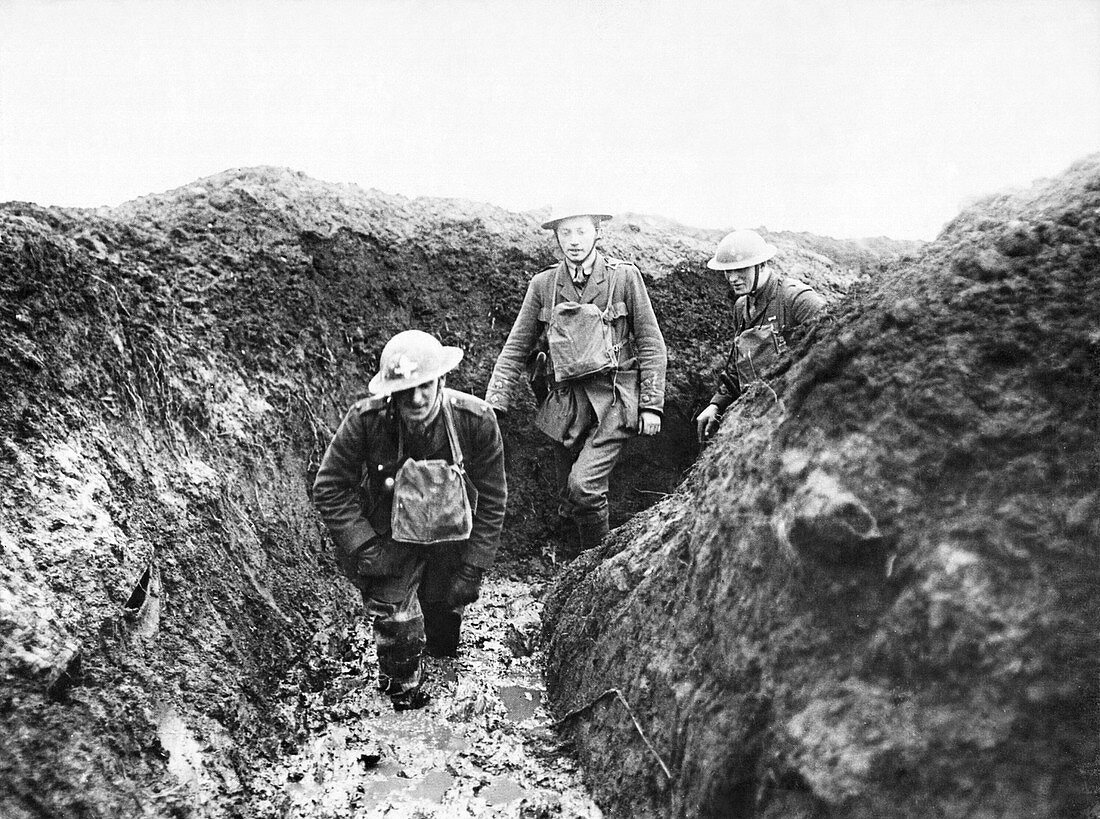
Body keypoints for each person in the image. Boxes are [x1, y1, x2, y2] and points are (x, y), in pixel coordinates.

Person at [313, 330, 506, 711]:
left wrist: (473, 568)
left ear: (443, 381)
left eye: (426, 386)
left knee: (442, 637)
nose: (417, 398)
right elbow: (330, 486)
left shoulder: (476, 421)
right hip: (390, 543)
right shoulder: (366, 421)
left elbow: (495, 498)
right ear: (390, 392)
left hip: (451, 541)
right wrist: (364, 545)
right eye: (406, 390)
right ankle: (400, 704)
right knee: (399, 632)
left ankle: (441, 668)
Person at [485, 204, 666, 557]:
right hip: (566, 403)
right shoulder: (544, 285)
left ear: (598, 232)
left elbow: (651, 342)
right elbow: (515, 347)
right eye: (565, 233)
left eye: (581, 231)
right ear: (556, 237)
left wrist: (651, 405)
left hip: (614, 399)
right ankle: (580, 563)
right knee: (568, 496)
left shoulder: (624, 278)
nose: (574, 241)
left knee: (584, 487)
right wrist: (496, 399)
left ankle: (594, 570)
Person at [696, 229, 826, 442]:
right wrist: (716, 404)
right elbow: (738, 367)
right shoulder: (742, 307)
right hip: (756, 413)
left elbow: (835, 346)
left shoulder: (795, 299)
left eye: (740, 270)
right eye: (728, 271)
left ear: (762, 265)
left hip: (795, 414)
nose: (732, 278)